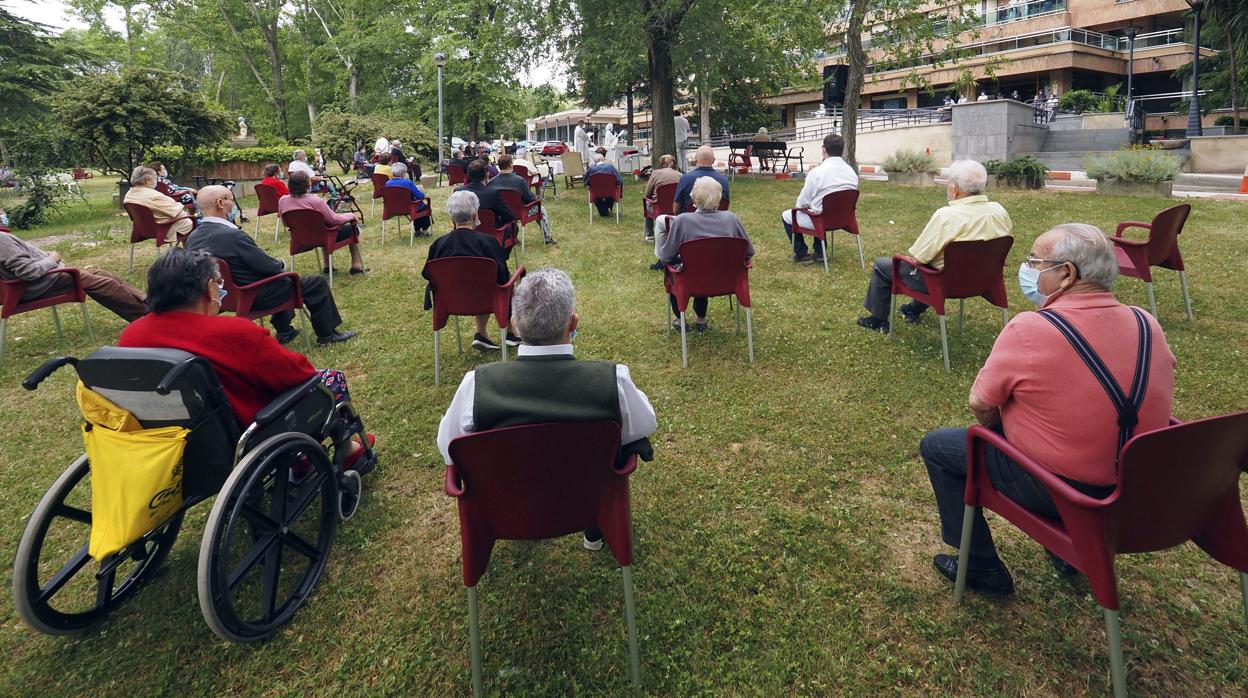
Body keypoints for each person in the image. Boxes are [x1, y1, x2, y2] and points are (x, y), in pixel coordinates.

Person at [920, 223, 1176, 594]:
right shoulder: (1147, 322)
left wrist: (1008, 427)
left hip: (1068, 494)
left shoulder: (1031, 329)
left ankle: (981, 566)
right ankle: (1067, 552)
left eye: (1034, 261)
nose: (1027, 269)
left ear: (1066, 274)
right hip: (1137, 492)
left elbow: (981, 403)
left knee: (940, 447)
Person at [436, 267, 657, 551]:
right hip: (589, 500)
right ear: (573, 322)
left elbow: (448, 447)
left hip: (507, 505)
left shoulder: (477, 386)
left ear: (513, 325)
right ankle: (594, 530)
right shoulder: (612, 381)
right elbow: (644, 424)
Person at [118, 249, 374, 465]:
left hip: (169, 443)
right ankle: (348, 451)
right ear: (209, 288)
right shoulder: (232, 332)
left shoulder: (130, 337)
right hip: (243, 433)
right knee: (328, 380)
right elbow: (298, 375)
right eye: (219, 285)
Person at [185, 185, 355, 345]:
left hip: (222, 296)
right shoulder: (233, 236)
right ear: (220, 203)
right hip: (254, 295)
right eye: (231, 199)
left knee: (277, 280)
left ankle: (285, 331)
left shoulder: (193, 238)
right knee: (312, 283)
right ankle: (327, 334)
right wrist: (280, 263)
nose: (234, 205)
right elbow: (269, 267)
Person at [858, 160, 1012, 332]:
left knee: (885, 266)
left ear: (954, 189)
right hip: (984, 279)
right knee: (933, 266)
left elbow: (919, 257)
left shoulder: (947, 216)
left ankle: (877, 319)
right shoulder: (1000, 211)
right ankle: (913, 310)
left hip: (944, 283)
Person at [422, 190, 520, 351]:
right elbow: (502, 278)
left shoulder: (438, 245)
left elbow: (428, 274)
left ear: (452, 217)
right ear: (476, 214)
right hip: (487, 298)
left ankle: (481, 333)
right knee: (508, 286)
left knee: (482, 284)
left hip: (450, 300)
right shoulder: (488, 242)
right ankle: (512, 331)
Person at [657, 177, 754, 332]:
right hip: (728, 279)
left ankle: (680, 320)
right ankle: (701, 319)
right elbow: (749, 251)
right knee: (702, 264)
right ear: (719, 197)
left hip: (692, 279)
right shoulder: (731, 218)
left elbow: (666, 256)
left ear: (693, 197)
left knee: (686, 267)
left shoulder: (683, 220)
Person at [0, 225, 147, 321]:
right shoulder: (2, 239)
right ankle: (146, 317)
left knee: (102, 273)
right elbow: (29, 272)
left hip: (36, 282)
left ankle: (148, 301)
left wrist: (46, 256)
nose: (2, 213)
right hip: (38, 284)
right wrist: (52, 258)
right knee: (104, 283)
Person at [781, 134, 858, 264]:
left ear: (824, 150)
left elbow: (801, 204)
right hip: (844, 219)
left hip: (821, 220)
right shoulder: (851, 172)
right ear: (842, 150)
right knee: (819, 207)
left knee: (787, 215)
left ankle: (801, 254)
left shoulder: (817, 172)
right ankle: (820, 252)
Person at [277, 171, 367, 276]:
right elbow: (335, 220)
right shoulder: (316, 201)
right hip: (324, 237)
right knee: (355, 230)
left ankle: (327, 266)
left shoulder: (283, 201)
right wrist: (351, 215)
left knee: (323, 226)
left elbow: (286, 224)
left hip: (300, 239)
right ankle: (356, 266)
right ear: (308, 184)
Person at [487, 153, 555, 245]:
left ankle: (511, 237)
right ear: (511, 165)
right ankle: (547, 237)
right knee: (541, 209)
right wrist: (537, 199)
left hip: (501, 214)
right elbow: (530, 198)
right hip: (520, 212)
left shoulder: (491, 182)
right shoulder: (519, 181)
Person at [123, 166, 195, 244]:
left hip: (143, 229)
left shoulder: (129, 194)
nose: (156, 181)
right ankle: (190, 254)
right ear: (148, 179)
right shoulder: (153, 195)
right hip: (164, 228)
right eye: (155, 178)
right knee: (194, 222)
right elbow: (175, 210)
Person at [459, 159, 518, 251]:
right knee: (513, 226)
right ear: (487, 175)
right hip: (490, 233)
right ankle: (502, 256)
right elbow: (510, 216)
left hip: (463, 232)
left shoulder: (458, 192)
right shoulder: (492, 193)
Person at [383, 162, 431, 236]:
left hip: (393, 208)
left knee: (419, 207)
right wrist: (425, 195)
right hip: (409, 208)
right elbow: (420, 196)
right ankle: (423, 230)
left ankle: (417, 230)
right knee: (424, 207)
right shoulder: (408, 183)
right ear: (403, 173)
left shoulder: (387, 183)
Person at [642, 154, 682, 243]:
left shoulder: (655, 174)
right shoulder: (680, 175)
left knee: (647, 203)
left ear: (662, 164)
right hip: (677, 207)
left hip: (658, 208)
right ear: (674, 164)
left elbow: (647, 194)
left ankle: (650, 234)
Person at [585, 149, 623, 218]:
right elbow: (620, 180)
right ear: (603, 160)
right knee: (613, 191)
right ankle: (606, 210)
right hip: (611, 192)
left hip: (596, 193)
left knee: (596, 197)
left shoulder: (591, 169)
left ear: (595, 161)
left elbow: (586, 182)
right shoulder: (610, 167)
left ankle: (604, 211)